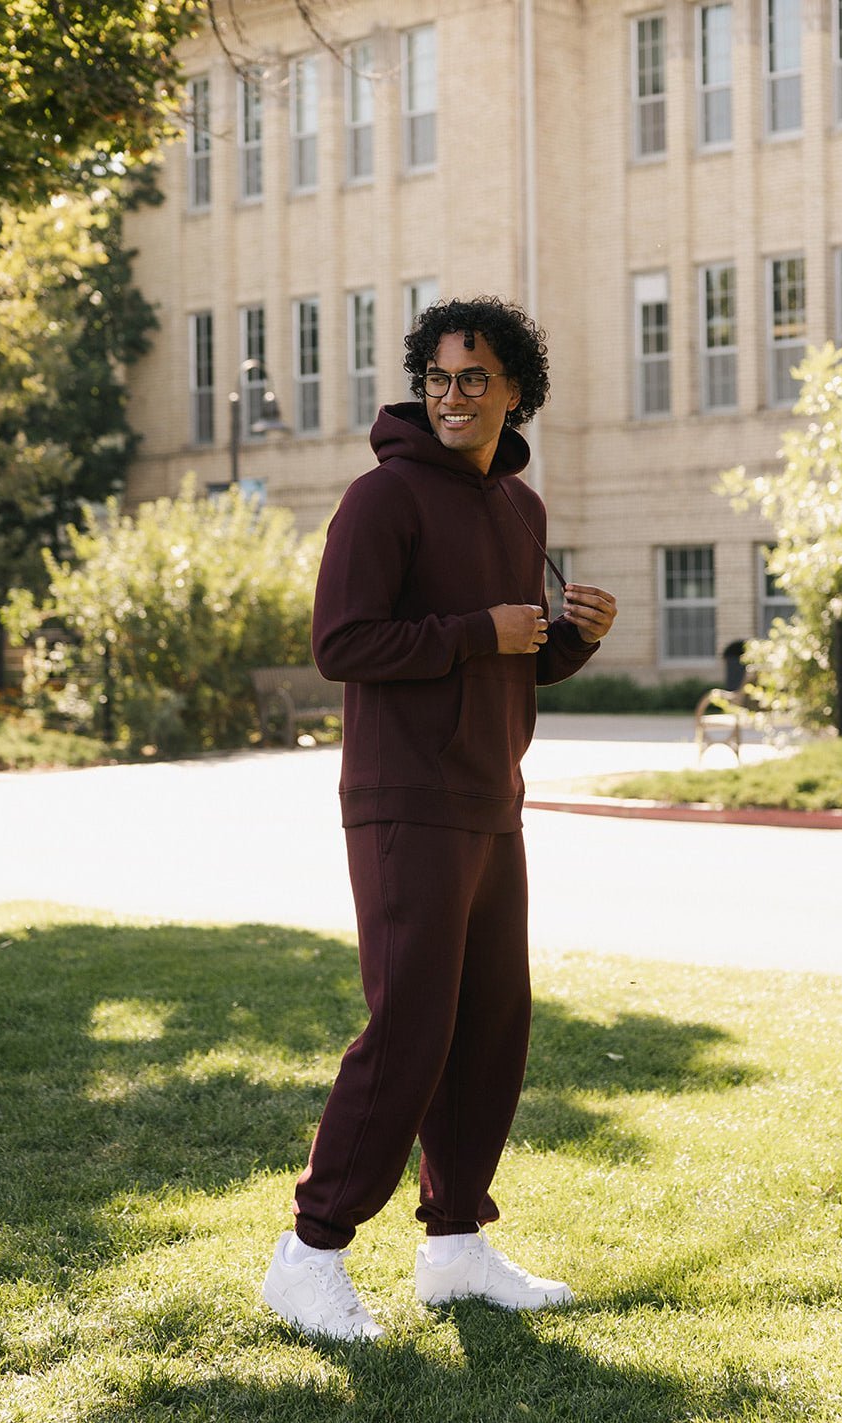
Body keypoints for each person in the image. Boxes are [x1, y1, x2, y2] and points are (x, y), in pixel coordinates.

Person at [262, 296, 618, 1341]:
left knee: (489, 1026)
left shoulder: (521, 511)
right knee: (410, 1027)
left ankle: (456, 1245)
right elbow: (343, 642)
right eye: (439, 379)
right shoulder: (382, 500)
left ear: (516, 394)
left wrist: (570, 639)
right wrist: (476, 630)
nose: (453, 398)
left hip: (487, 797)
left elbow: (516, 652)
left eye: (475, 380)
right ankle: (310, 1252)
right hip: (402, 798)